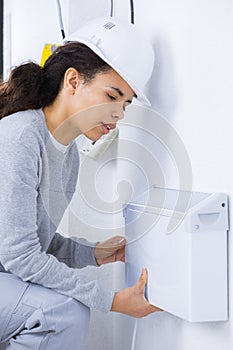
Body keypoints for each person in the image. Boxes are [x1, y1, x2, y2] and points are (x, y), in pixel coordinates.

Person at [0, 17, 160, 350]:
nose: (119, 114)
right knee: (62, 313)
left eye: (126, 104)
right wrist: (112, 300)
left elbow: (30, 237)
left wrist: (91, 253)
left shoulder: (69, 156)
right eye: (112, 95)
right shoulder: (21, 136)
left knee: (65, 310)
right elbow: (18, 255)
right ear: (73, 81)